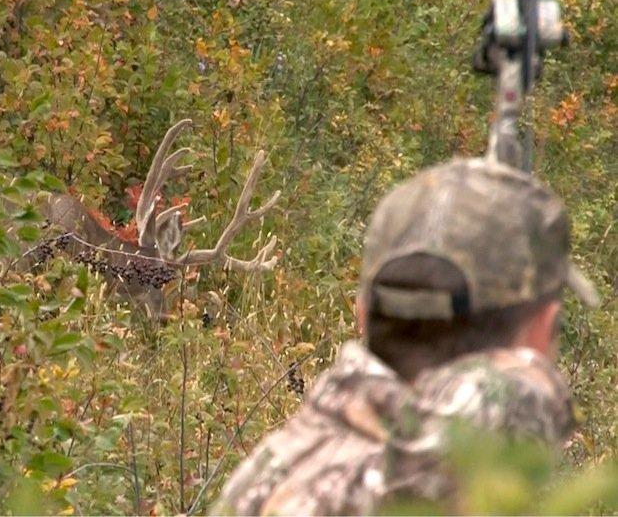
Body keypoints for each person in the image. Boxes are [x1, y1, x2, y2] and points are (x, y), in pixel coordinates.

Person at [212, 157, 600, 515]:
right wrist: (534, 390)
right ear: (541, 331)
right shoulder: (453, 490)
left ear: (361, 314)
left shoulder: (261, 479)